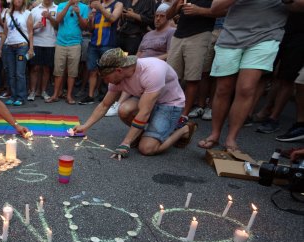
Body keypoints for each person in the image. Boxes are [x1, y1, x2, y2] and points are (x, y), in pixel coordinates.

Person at [197, 0, 289, 152]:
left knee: (246, 88)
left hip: (266, 36)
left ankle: (231, 138)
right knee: (223, 88)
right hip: (231, 36)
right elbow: (215, 8)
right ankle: (214, 134)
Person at [73, 48, 197, 159]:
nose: (105, 81)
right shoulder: (116, 78)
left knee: (147, 149)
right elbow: (104, 105)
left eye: (105, 77)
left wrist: (125, 143)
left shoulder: (152, 71)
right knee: (124, 109)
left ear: (119, 70)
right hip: (146, 99)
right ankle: (143, 135)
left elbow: (144, 112)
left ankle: (184, 129)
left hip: (169, 103)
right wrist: (85, 126)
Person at [165, 0, 217, 120]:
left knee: (192, 78)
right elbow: (168, 16)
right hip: (178, 34)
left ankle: (184, 114)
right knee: (171, 76)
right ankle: (169, 108)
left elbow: (221, 12)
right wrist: (175, 6)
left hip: (200, 34)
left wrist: (199, 10)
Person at [78, 0, 123, 105]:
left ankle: (108, 97)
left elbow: (112, 18)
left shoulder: (117, 4)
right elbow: (91, 29)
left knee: (108, 71)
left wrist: (100, 8)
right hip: (94, 43)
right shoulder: (98, 6)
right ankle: (90, 96)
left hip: (108, 43)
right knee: (92, 70)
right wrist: (90, 19)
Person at [45, 0, 89, 104]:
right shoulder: (62, 5)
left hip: (75, 43)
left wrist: (78, 14)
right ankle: (55, 95)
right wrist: (69, 5)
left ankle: (69, 96)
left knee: (72, 71)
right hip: (61, 42)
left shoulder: (84, 7)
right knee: (58, 70)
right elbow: (58, 20)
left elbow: (85, 27)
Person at [0, 0, 32, 106]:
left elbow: (31, 32)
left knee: (19, 73)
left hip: (22, 46)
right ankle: (13, 96)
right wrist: (0, 47)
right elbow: (5, 33)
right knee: (11, 73)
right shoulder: (8, 14)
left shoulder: (27, 13)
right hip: (9, 47)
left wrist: (31, 48)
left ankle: (21, 97)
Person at [27, 0, 57, 101]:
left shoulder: (57, 9)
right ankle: (32, 91)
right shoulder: (34, 10)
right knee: (34, 68)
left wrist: (49, 17)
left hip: (50, 43)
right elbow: (28, 28)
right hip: (36, 42)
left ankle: (44, 91)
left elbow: (58, 26)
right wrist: (35, 27)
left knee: (46, 69)